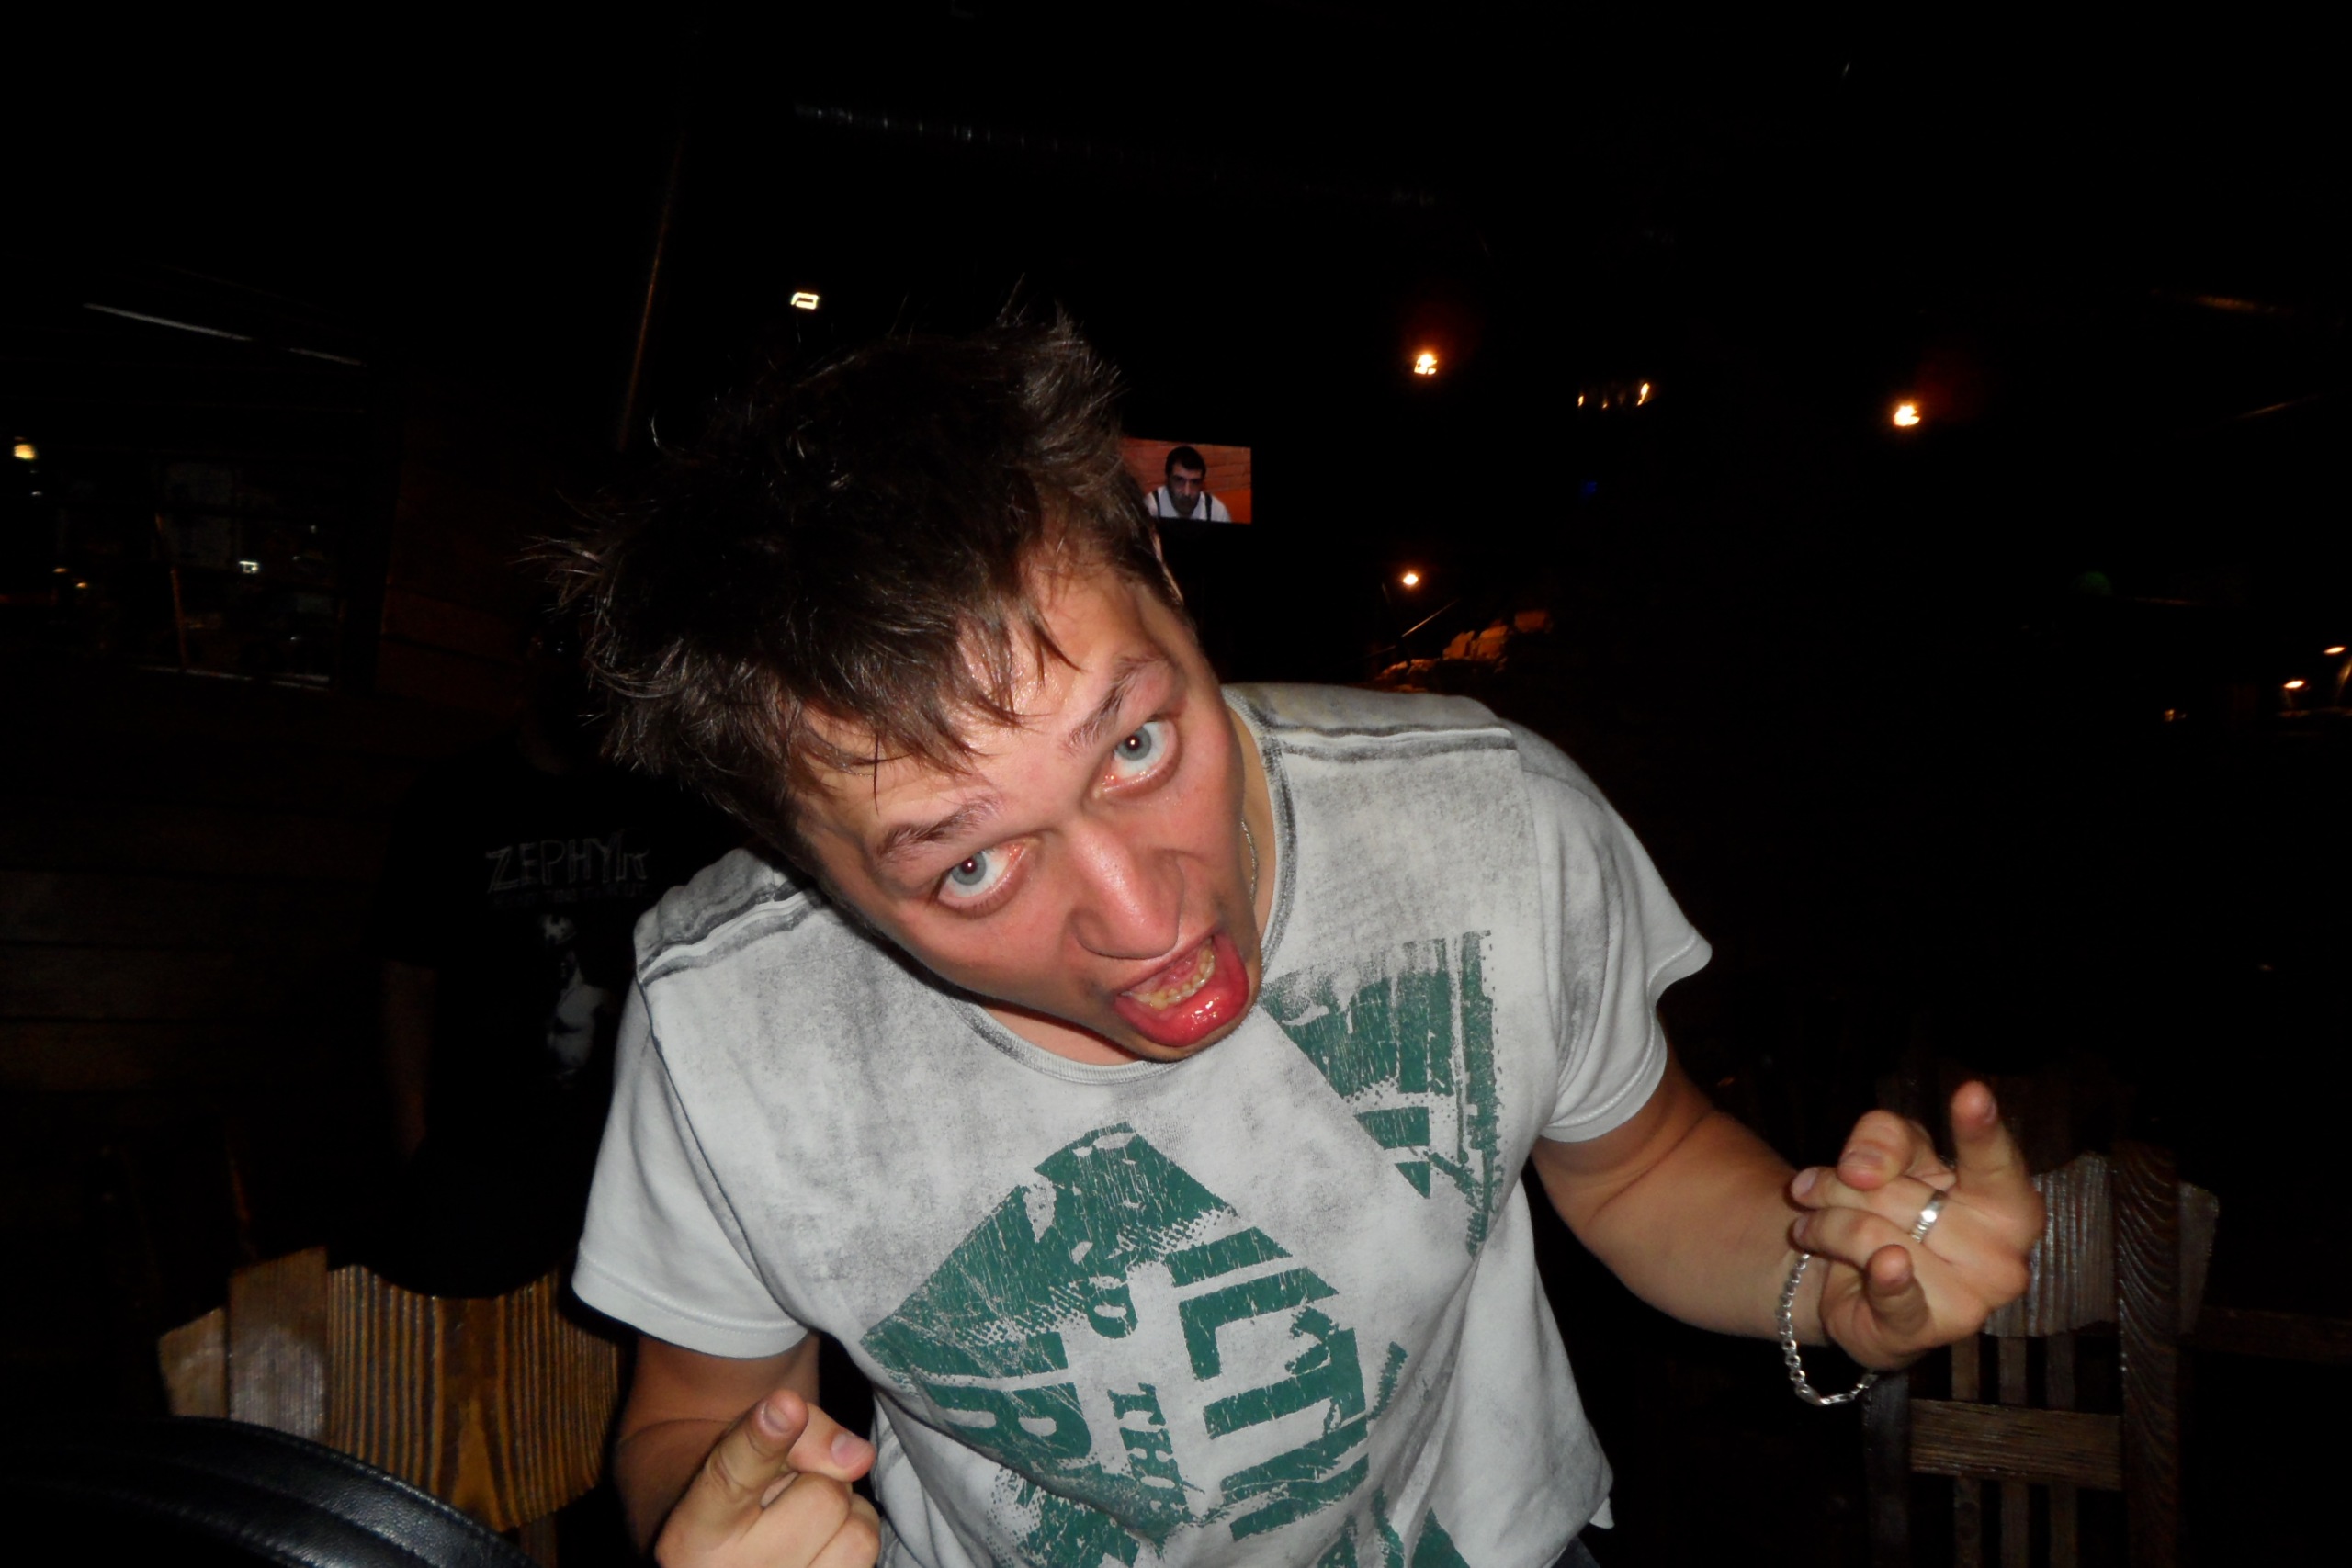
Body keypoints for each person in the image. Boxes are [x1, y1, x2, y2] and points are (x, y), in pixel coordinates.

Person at [555, 321, 2040, 1568]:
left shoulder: (1488, 824)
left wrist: (1830, 1281)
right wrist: (719, 1521)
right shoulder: (729, 1020)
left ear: (1168, 581)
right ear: (797, 860)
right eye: (974, 862)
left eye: (1136, 742)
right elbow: (694, 1408)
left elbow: (1641, 1169)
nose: (1148, 918)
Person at [368, 615, 735, 1297]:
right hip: (480, 1158)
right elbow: (406, 977)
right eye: (563, 646)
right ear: (526, 656)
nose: (583, 670)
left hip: (639, 1156)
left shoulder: (674, 805)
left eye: (603, 650)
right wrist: (414, 1145)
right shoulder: (451, 801)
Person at [1142, 445, 1233, 523]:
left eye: (1195, 482)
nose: (1187, 492)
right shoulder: (1151, 508)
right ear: (1167, 479)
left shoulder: (1216, 511)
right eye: (1179, 480)